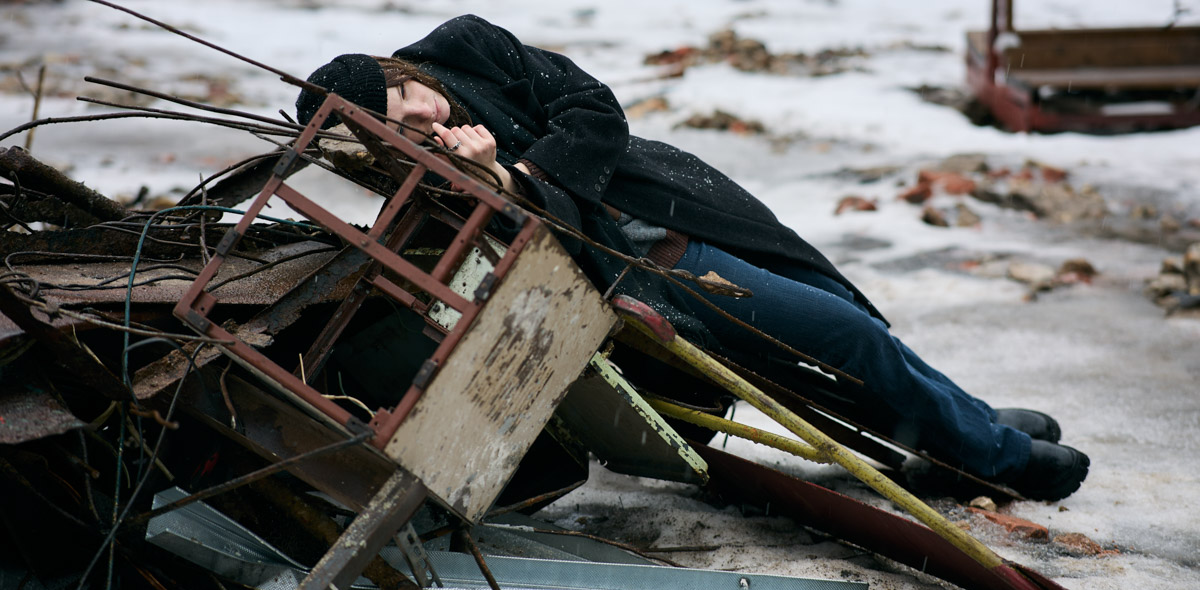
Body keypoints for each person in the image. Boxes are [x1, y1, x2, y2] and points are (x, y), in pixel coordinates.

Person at [294, 14, 1090, 501]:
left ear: (395, 73)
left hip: (676, 204)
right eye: (401, 132)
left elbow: (592, 109)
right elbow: (533, 249)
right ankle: (998, 454)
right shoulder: (425, 173)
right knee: (830, 347)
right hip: (654, 275)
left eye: (406, 102)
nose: (425, 120)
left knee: (841, 322)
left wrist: (524, 171)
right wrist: (494, 184)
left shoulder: (466, 48)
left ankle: (966, 430)